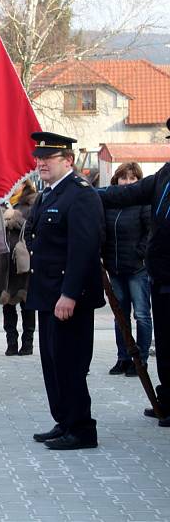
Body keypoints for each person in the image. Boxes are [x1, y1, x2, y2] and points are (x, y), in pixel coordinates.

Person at [26, 132, 105, 449]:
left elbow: (83, 250)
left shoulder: (80, 195)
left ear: (68, 160)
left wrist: (69, 294)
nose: (41, 163)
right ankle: (64, 420)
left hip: (68, 297)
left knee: (70, 363)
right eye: (39, 158)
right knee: (53, 362)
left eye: (49, 158)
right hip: (48, 293)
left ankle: (82, 429)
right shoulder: (49, 194)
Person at [99, 118, 170, 428]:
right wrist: (85, 192)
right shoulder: (163, 176)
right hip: (163, 277)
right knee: (166, 343)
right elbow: (124, 195)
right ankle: (167, 402)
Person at [101, 162, 152, 377]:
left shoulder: (143, 203)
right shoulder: (109, 202)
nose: (128, 182)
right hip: (115, 268)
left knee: (141, 315)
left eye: (133, 179)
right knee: (119, 315)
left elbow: (150, 231)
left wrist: (139, 254)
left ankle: (140, 360)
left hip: (137, 269)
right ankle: (123, 357)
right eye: (124, 178)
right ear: (116, 180)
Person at [0, 180, 37, 356]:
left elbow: (34, 226)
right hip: (3, 260)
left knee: (27, 303)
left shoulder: (33, 201)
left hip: (23, 260)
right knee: (7, 303)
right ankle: (11, 342)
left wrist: (16, 219)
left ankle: (28, 342)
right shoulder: (0, 202)